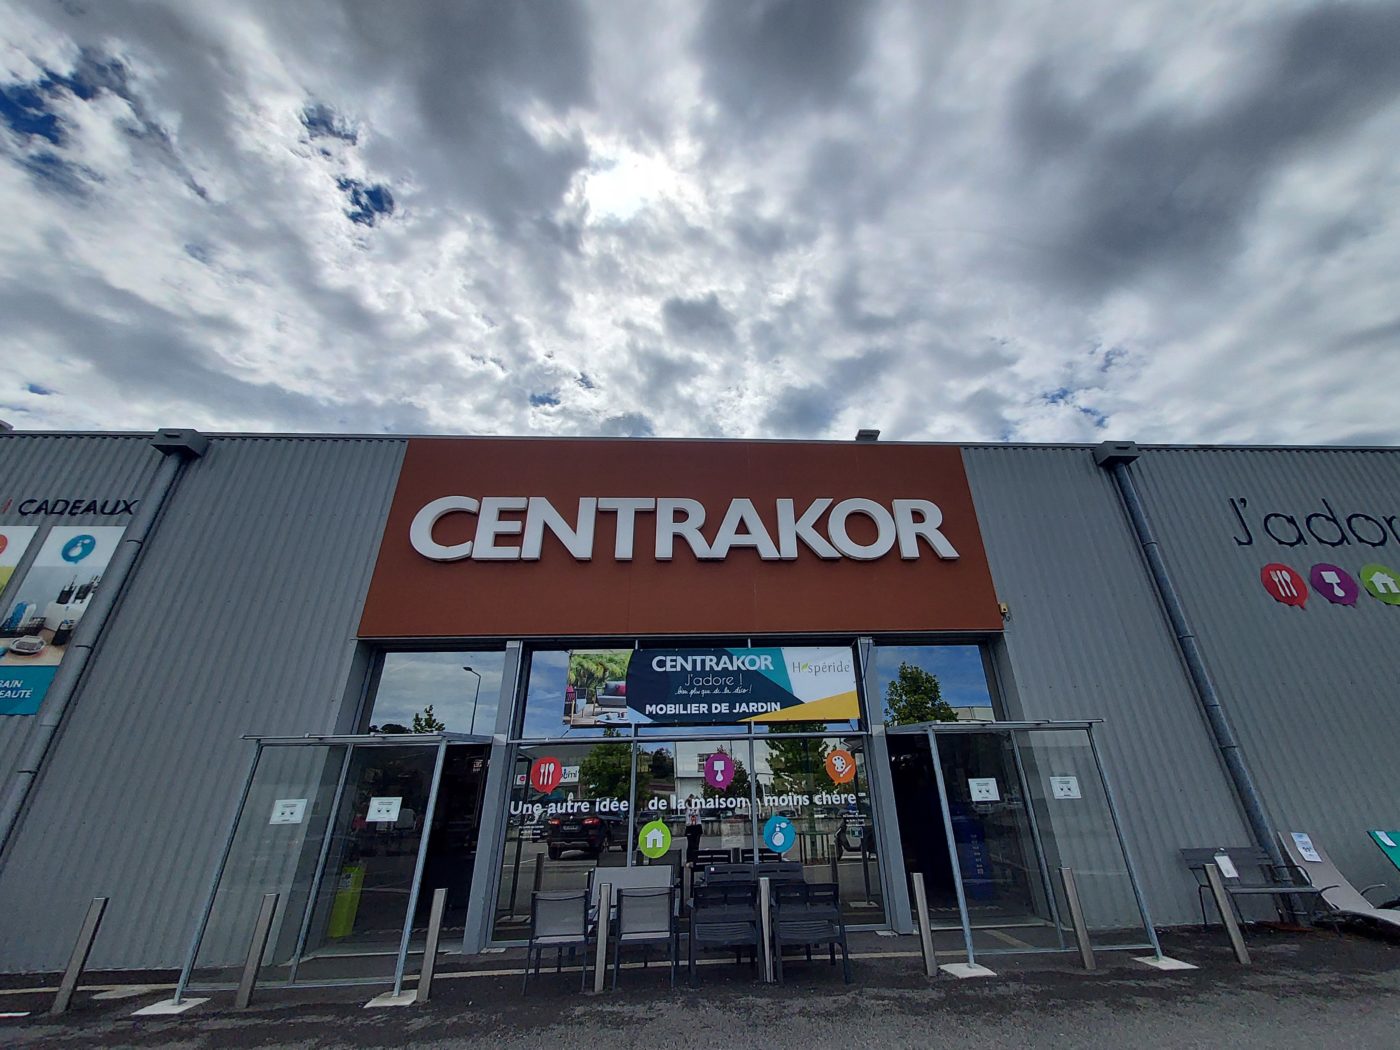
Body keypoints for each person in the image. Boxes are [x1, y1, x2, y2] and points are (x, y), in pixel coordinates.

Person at [684, 794, 703, 865]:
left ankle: (695, 860)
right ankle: (689, 860)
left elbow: (701, 806)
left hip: (697, 826)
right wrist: (688, 800)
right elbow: (685, 803)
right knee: (690, 845)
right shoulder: (687, 807)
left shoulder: (698, 807)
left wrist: (697, 800)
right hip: (690, 827)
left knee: (696, 845)